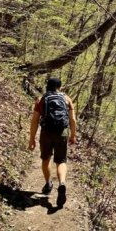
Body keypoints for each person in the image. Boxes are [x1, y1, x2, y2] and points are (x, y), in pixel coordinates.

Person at [28, 77, 77, 208]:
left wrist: (31, 138)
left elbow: (34, 121)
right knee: (61, 161)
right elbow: (72, 120)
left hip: (46, 133)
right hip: (62, 132)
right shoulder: (67, 99)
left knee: (45, 159)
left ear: (47, 86)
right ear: (59, 87)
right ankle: (62, 183)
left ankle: (48, 183)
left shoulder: (41, 99)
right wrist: (73, 135)